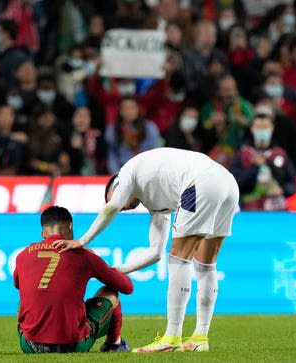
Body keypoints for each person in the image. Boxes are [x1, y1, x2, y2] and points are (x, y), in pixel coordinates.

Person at [54, 147, 240, 353]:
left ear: (115, 186)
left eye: (112, 197)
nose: (121, 207)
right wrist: (113, 271)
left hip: (200, 183)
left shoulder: (125, 174)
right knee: (206, 265)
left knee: (179, 259)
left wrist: (82, 240)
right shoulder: (157, 199)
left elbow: (112, 207)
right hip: (227, 183)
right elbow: (155, 253)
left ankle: (172, 336)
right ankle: (200, 337)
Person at [14, 206, 133, 354]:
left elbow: (19, 285)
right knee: (110, 292)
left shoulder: (23, 255)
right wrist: (100, 263)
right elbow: (127, 287)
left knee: (25, 297)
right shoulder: (83, 255)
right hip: (74, 344)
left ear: (43, 233)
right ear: (70, 226)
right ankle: (114, 344)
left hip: (30, 345)